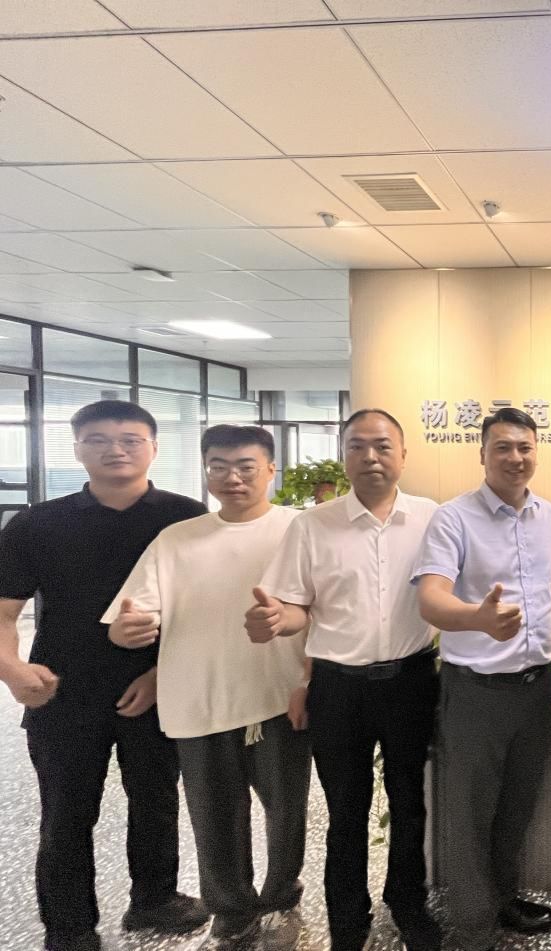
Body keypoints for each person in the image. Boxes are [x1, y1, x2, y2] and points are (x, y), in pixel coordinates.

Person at [0, 400, 208, 951]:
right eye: (97, 439)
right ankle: (68, 927)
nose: (115, 450)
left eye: (130, 439)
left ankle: (154, 899)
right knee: (66, 812)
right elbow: (3, 612)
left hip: (158, 687)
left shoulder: (187, 517)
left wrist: (161, 674)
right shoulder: (37, 523)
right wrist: (12, 670)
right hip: (62, 691)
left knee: (156, 801)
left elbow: (207, 612)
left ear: (153, 448)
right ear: (76, 449)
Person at [103, 425, 309, 951]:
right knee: (214, 814)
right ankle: (230, 908)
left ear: (271, 470)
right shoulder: (177, 539)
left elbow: (325, 609)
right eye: (218, 466)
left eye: (245, 466)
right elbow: (131, 617)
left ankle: (281, 893)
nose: (232, 477)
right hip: (198, 697)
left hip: (278, 694)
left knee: (286, 810)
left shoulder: (300, 530)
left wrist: (304, 666)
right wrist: (128, 630)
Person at [249, 409, 441, 951]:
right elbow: (295, 607)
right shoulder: (312, 525)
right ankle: (348, 919)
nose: (371, 457)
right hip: (338, 688)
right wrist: (277, 619)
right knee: (346, 811)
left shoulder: (432, 518)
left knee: (410, 804)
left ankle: (408, 903)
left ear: (403, 454)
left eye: (382, 445)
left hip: (410, 681)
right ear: (344, 455)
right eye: (357, 446)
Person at [415, 406, 551, 951]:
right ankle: (472, 927)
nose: (515, 457)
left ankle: (503, 900)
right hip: (476, 690)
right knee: (469, 814)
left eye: (524, 447)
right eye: (502, 447)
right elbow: (430, 598)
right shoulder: (453, 518)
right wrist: (476, 618)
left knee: (516, 807)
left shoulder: (549, 517)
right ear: (482, 454)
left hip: (537, 689)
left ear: (536, 453)